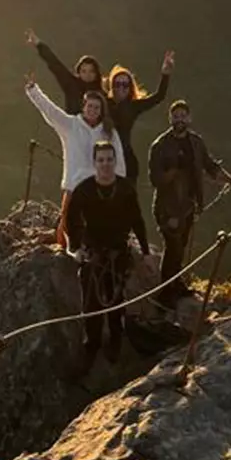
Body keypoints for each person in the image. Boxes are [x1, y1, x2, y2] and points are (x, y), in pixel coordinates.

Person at [61, 139, 148, 367]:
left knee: (115, 297)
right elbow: (72, 220)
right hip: (93, 252)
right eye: (101, 160)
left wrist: (145, 249)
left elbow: (137, 219)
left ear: (115, 161)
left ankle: (116, 340)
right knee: (91, 300)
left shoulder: (126, 188)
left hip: (118, 251)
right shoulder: (85, 189)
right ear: (94, 162)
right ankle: (93, 343)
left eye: (109, 159)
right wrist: (76, 247)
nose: (106, 164)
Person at [148, 99, 231, 293]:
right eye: (175, 116)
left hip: (188, 205)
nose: (179, 120)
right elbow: (155, 179)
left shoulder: (196, 142)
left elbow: (210, 167)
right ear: (169, 118)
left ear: (189, 118)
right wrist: (174, 169)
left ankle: (175, 285)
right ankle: (166, 292)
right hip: (167, 207)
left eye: (183, 116)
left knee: (181, 246)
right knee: (173, 248)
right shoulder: (160, 145)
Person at [102, 55, 173, 251]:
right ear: (111, 85)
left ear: (130, 87)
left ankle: (136, 244)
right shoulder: (102, 104)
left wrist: (165, 74)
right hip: (105, 160)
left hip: (127, 160)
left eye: (125, 85)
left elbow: (159, 97)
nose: (121, 88)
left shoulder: (133, 107)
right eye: (117, 84)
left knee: (128, 203)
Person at [25, 74, 126, 193]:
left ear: (101, 110)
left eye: (97, 108)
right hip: (73, 187)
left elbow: (118, 161)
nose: (92, 110)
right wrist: (34, 91)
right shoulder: (70, 125)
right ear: (83, 107)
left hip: (101, 189)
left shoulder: (109, 131)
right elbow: (50, 111)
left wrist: (119, 187)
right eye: (90, 106)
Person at [26, 28, 104, 114]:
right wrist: (39, 44)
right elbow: (55, 64)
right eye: (84, 71)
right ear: (79, 73)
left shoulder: (103, 93)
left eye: (91, 71)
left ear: (97, 73)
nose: (88, 74)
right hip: (72, 125)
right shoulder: (71, 85)